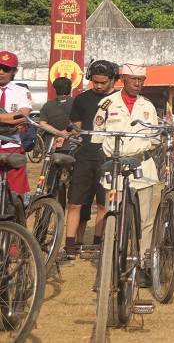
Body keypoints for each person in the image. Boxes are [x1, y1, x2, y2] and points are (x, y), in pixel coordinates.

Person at [91, 62, 161, 288]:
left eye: (141, 79)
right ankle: (110, 262)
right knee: (113, 215)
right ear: (123, 79)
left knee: (145, 220)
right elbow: (97, 136)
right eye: (133, 79)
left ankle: (143, 264)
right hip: (115, 167)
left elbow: (154, 139)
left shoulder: (148, 106)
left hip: (142, 167)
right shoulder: (107, 103)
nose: (138, 83)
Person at [63, 59, 120, 261]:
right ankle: (70, 245)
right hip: (84, 156)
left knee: (104, 205)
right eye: (95, 81)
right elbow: (77, 127)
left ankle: (97, 244)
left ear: (113, 80)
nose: (98, 85)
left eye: (103, 82)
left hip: (108, 158)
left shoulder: (119, 100)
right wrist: (70, 133)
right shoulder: (81, 99)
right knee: (75, 203)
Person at [0, 51, 31, 199]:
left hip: (12, 147)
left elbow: (23, 116)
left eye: (6, 69)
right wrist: (10, 118)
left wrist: (15, 118)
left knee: (17, 196)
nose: (1, 72)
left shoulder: (21, 92)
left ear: (14, 71)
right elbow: (15, 117)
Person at [39, 77, 74, 150]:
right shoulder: (77, 103)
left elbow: (42, 124)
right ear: (70, 89)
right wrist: (65, 133)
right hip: (73, 143)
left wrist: (60, 133)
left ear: (55, 89)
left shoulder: (47, 105)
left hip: (52, 143)